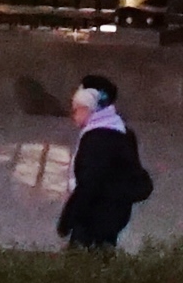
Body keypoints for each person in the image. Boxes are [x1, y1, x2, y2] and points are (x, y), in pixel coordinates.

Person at [58, 75, 152, 253]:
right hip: (114, 215)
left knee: (81, 265)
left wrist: (68, 219)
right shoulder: (121, 132)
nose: (73, 116)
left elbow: (89, 182)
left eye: (76, 110)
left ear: (88, 108)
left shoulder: (97, 139)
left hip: (93, 218)